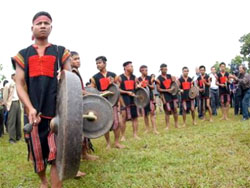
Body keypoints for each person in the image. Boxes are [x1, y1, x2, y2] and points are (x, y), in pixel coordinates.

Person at [13, 11, 71, 188]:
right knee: (38, 155)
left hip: (56, 113)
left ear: (51, 27)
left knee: (56, 155)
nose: (43, 26)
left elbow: (70, 80)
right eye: (39, 23)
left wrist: (65, 74)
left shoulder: (60, 51)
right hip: (34, 115)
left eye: (47, 23)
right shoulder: (23, 54)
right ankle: (43, 181)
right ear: (32, 28)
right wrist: (30, 108)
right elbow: (20, 84)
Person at [70, 51, 98, 178]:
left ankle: (84, 154)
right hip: (73, 107)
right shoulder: (70, 73)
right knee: (75, 138)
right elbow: (74, 90)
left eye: (79, 58)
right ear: (68, 60)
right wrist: (88, 94)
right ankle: (72, 168)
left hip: (80, 105)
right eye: (75, 59)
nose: (78, 61)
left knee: (83, 133)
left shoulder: (76, 71)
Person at [90, 56, 125, 149]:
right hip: (102, 102)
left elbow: (119, 84)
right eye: (96, 63)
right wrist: (102, 92)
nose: (98, 65)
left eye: (100, 63)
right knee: (105, 123)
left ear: (105, 63)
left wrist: (114, 83)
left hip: (113, 101)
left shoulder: (112, 74)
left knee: (116, 122)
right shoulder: (94, 77)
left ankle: (117, 142)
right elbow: (92, 91)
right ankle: (108, 143)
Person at [118, 61, 140, 141]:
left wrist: (139, 86)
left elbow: (136, 87)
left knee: (135, 117)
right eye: (131, 66)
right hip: (124, 100)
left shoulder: (134, 77)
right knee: (123, 118)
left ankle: (135, 135)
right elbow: (117, 89)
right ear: (126, 67)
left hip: (133, 100)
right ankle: (123, 136)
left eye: (132, 66)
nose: (132, 68)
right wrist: (127, 92)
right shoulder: (120, 77)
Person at [156, 64, 179, 130]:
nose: (165, 70)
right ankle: (167, 126)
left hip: (173, 94)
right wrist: (167, 90)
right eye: (164, 69)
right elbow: (158, 89)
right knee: (167, 111)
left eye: (166, 69)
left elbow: (174, 84)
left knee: (175, 109)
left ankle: (176, 124)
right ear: (161, 69)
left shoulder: (169, 76)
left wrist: (175, 81)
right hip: (165, 96)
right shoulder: (158, 79)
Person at [137, 65, 159, 134]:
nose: (146, 71)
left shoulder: (149, 78)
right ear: (141, 71)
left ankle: (154, 129)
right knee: (145, 115)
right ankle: (147, 129)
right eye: (144, 70)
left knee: (152, 113)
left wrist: (147, 85)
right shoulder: (138, 79)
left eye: (147, 70)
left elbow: (153, 87)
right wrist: (139, 85)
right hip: (143, 99)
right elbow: (137, 88)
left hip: (150, 98)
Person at [3, 73, 22, 143]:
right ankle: (12, 138)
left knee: (18, 121)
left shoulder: (18, 84)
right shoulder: (8, 85)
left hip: (17, 102)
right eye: (15, 75)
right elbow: (5, 96)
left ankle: (18, 136)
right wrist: (7, 105)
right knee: (12, 121)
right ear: (12, 77)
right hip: (11, 103)